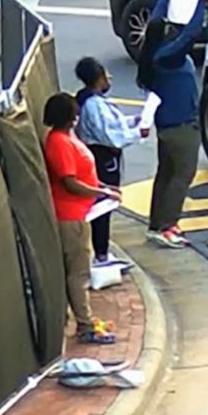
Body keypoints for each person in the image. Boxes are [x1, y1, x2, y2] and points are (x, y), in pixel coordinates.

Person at [42, 92, 121, 344]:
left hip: (78, 212)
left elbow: (81, 176)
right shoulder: (59, 143)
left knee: (77, 271)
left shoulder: (64, 139)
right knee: (78, 273)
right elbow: (70, 182)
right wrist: (101, 192)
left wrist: (103, 187)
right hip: (70, 215)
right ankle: (85, 325)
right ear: (70, 118)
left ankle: (81, 321)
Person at [136, 0, 208, 248]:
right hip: (182, 127)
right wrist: (201, 4)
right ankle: (169, 225)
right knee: (182, 176)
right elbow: (190, 35)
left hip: (167, 126)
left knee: (166, 175)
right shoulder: (169, 56)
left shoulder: (153, 55)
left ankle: (156, 224)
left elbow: (156, 20)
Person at [74, 57, 147, 267]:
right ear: (98, 78)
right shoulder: (92, 104)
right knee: (103, 205)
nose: (110, 79)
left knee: (104, 203)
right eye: (106, 75)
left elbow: (113, 124)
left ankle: (102, 251)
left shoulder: (90, 100)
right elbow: (109, 135)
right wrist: (137, 133)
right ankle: (101, 254)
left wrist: (132, 122)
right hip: (102, 159)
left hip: (102, 156)